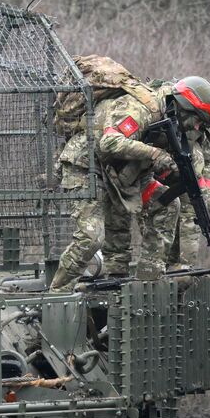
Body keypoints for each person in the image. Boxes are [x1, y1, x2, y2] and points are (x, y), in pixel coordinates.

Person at [50, 56, 177, 290]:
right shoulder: (139, 108)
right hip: (84, 166)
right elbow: (109, 142)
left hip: (115, 173)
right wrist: (155, 155)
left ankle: (137, 279)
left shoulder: (168, 120)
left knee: (166, 203)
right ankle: (58, 293)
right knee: (91, 238)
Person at [135, 76, 210, 280]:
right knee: (163, 207)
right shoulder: (158, 106)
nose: (197, 126)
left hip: (183, 161)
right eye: (196, 120)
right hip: (152, 164)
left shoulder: (194, 135)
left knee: (196, 204)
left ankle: (180, 266)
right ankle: (164, 266)